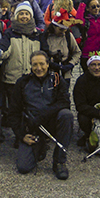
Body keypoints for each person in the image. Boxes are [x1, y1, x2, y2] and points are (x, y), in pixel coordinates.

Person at [8, 50, 72, 180]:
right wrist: (21, 135)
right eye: (35, 65)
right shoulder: (22, 83)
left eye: (42, 64)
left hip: (51, 123)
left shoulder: (57, 80)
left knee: (67, 115)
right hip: (32, 127)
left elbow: (64, 102)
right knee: (24, 167)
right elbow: (13, 112)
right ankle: (40, 146)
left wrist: (43, 114)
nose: (39, 68)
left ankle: (59, 161)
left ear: (48, 64)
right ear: (30, 66)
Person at [0, 2, 42, 125]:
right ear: (16, 16)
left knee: (30, 105)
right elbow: (4, 49)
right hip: (13, 77)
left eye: (27, 14)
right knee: (14, 106)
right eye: (21, 14)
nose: (24, 16)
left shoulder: (37, 34)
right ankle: (17, 130)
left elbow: (44, 53)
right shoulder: (10, 33)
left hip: (32, 76)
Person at [40, 9, 81, 85]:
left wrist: (71, 64)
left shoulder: (68, 36)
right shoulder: (45, 37)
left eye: (65, 29)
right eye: (61, 29)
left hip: (65, 73)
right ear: (54, 27)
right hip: (49, 72)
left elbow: (77, 52)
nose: (63, 32)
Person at [76, 0, 100, 73]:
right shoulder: (86, 21)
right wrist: (82, 4)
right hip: (87, 53)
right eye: (93, 7)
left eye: (98, 6)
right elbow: (78, 20)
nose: (96, 8)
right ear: (88, 9)